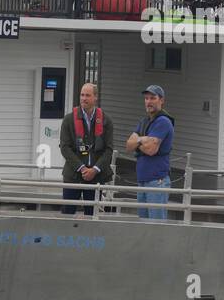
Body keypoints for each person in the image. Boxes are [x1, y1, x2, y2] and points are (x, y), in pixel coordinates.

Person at [59, 82, 114, 215]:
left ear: (95, 97)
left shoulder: (106, 120)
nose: (84, 98)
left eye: (87, 95)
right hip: (73, 175)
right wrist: (82, 168)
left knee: (93, 215)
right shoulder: (69, 120)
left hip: (96, 177)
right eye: (82, 95)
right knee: (67, 214)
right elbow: (65, 148)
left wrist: (94, 170)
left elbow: (109, 149)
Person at [127, 85, 174, 220]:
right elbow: (128, 145)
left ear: (161, 100)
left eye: (153, 98)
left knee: (156, 227)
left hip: (156, 181)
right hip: (142, 180)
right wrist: (144, 140)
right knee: (144, 227)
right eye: (146, 98)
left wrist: (138, 139)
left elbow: (151, 150)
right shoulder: (144, 121)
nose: (149, 101)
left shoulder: (163, 121)